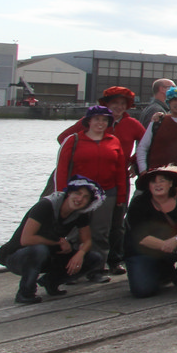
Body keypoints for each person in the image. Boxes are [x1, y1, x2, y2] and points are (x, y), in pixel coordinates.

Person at [55, 86, 144, 274]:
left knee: (114, 223)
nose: (118, 107)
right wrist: (79, 157)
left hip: (115, 179)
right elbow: (63, 138)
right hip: (82, 183)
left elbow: (146, 144)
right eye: (114, 103)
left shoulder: (132, 124)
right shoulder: (91, 122)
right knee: (77, 225)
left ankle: (112, 261)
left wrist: (133, 162)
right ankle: (73, 267)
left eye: (122, 103)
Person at [0, 178, 106, 303]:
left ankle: (51, 282)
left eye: (86, 197)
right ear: (69, 193)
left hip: (48, 255)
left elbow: (87, 241)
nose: (80, 199)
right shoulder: (46, 205)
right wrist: (58, 242)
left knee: (94, 258)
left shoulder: (81, 213)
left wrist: (80, 254)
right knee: (39, 250)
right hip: (18, 256)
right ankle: (25, 292)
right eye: (77, 193)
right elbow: (26, 239)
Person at [125, 166, 177, 298]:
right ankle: (163, 272)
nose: (158, 184)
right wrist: (174, 247)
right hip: (145, 251)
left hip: (174, 244)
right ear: (148, 186)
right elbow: (140, 237)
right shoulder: (138, 203)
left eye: (162, 180)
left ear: (170, 184)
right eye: (153, 182)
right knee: (143, 290)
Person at [136, 87, 177, 172]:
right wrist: (143, 170)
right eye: (174, 99)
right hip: (156, 173)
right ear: (169, 102)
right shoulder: (158, 121)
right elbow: (142, 148)